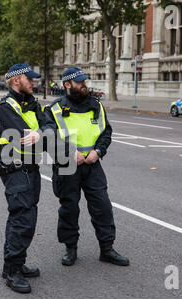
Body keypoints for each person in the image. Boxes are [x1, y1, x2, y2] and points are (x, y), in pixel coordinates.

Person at [44, 67, 129, 268]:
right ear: (67, 85)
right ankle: (70, 249)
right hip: (67, 165)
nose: (84, 85)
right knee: (69, 208)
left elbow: (106, 132)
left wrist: (97, 152)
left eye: (85, 81)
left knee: (103, 207)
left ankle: (107, 249)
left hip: (92, 164)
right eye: (80, 82)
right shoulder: (54, 109)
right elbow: (47, 137)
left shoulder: (96, 106)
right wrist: (67, 152)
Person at [0, 64, 56, 294]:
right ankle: (13, 271)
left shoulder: (32, 104)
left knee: (23, 217)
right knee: (23, 220)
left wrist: (42, 132)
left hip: (31, 169)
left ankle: (12, 265)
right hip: (15, 170)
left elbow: (52, 127)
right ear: (16, 80)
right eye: (30, 79)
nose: (34, 82)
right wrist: (42, 134)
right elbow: (32, 137)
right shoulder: (4, 109)